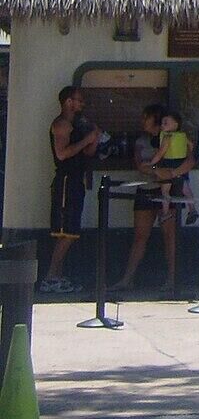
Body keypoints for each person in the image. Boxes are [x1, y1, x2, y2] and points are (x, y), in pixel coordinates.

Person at [110, 105, 194, 294]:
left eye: (146, 118)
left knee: (169, 236)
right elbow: (141, 164)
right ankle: (127, 279)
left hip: (169, 190)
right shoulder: (142, 140)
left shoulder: (176, 138)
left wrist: (171, 173)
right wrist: (157, 172)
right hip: (146, 189)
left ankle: (172, 279)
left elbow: (190, 160)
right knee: (140, 236)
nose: (142, 122)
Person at [42, 85, 100, 293]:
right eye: (79, 100)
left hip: (77, 179)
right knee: (65, 231)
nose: (81, 104)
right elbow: (62, 153)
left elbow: (87, 152)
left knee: (71, 230)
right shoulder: (62, 124)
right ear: (68, 102)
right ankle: (51, 276)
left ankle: (58, 274)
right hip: (66, 179)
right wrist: (86, 139)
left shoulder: (78, 125)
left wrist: (94, 139)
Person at [156, 109, 197, 224]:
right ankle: (192, 209)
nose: (162, 126)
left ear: (175, 124)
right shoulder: (182, 136)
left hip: (168, 164)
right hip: (180, 163)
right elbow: (191, 145)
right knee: (185, 188)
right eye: (162, 123)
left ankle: (165, 213)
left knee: (165, 190)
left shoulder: (167, 137)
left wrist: (152, 163)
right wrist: (185, 151)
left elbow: (161, 152)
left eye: (166, 123)